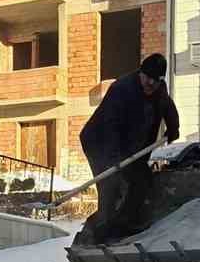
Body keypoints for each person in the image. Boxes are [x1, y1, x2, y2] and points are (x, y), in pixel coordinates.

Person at [74, 53, 180, 245]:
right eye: (147, 78)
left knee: (142, 180)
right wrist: (115, 160)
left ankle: (126, 224)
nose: (150, 84)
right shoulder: (122, 89)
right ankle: (101, 235)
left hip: (132, 147)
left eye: (155, 81)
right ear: (140, 73)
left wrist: (174, 128)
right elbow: (110, 126)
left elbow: (168, 108)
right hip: (100, 142)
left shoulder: (159, 90)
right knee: (110, 183)